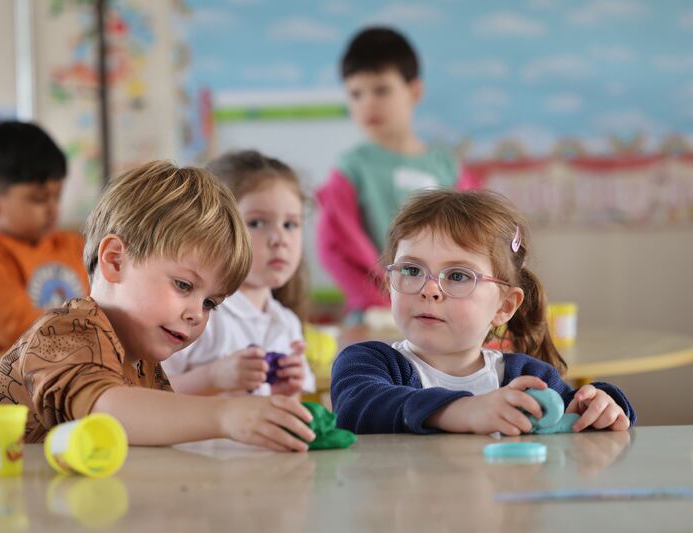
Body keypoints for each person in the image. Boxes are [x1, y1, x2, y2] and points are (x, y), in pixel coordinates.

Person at [0, 160, 315, 452]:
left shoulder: (141, 359)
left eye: (210, 303)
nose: (195, 313)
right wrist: (226, 415)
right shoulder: (66, 331)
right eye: (183, 285)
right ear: (115, 261)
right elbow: (107, 413)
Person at [331, 189, 635, 435]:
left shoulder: (529, 376)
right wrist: (463, 411)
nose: (429, 289)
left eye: (458, 276)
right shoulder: (367, 363)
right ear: (390, 284)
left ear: (504, 307)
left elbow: (577, 416)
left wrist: (603, 404)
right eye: (412, 269)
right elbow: (357, 409)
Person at [316, 26, 478, 321]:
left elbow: (477, 240)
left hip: (444, 310)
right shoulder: (351, 168)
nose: (368, 103)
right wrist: (381, 302)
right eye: (356, 94)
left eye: (381, 90)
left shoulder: (447, 168)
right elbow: (334, 247)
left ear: (414, 91)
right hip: (375, 315)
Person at [0, 121, 89, 412]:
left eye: (57, 195)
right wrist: (92, 337)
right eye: (39, 199)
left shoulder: (70, 245)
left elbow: (100, 306)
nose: (53, 208)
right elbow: (21, 330)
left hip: (63, 386)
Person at [165, 150, 316, 397]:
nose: (280, 240)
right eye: (257, 223)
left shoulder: (286, 323)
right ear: (210, 228)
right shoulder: (197, 314)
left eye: (290, 224)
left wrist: (287, 391)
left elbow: (282, 409)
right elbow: (147, 395)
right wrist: (212, 376)